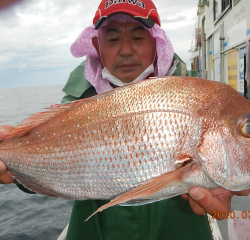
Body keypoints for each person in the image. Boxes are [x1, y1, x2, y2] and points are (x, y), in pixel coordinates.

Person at [0, 0, 250, 239]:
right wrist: (13, 165)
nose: (126, 49)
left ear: (157, 43)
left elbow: (223, 195)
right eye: (113, 38)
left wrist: (226, 188)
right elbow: (51, 168)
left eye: (138, 37)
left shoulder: (201, 95)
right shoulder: (74, 104)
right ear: (97, 47)